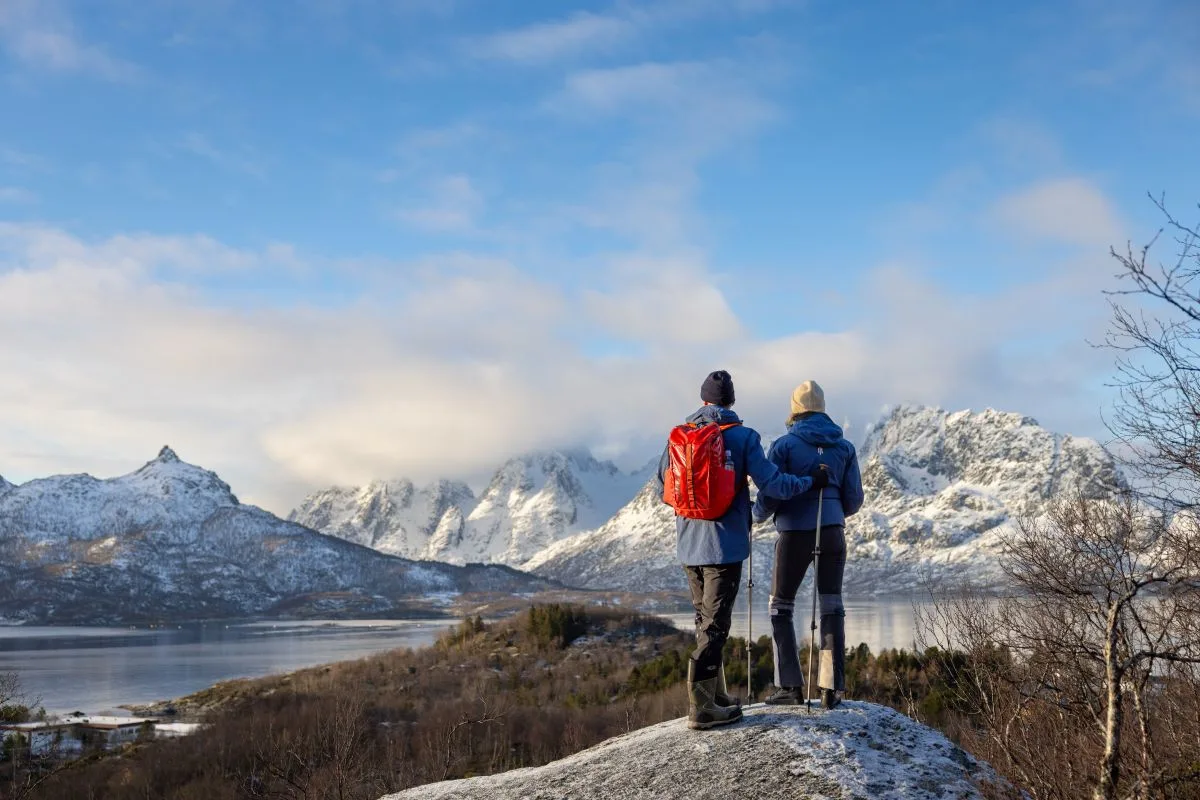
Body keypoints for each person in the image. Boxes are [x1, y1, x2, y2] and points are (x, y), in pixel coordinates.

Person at [656, 370, 829, 730]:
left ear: (703, 400)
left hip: (689, 545)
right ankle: (702, 708)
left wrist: (693, 509)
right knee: (716, 626)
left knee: (705, 622)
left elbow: (663, 487)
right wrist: (811, 481)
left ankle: (715, 696)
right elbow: (775, 484)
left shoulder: (679, 437)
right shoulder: (744, 437)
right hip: (726, 545)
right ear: (730, 401)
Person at [752, 380, 864, 710]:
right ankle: (831, 688)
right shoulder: (845, 448)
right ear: (823, 409)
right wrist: (833, 510)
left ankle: (790, 686)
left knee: (780, 606)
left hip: (794, 534)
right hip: (832, 531)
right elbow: (854, 499)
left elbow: (772, 491)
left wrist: (756, 514)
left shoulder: (785, 445)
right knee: (832, 606)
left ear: (795, 411)